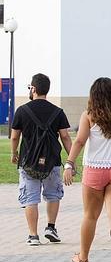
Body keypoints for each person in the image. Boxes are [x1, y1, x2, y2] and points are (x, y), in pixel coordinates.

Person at [64, 77, 111, 262]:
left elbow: (79, 141)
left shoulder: (89, 115)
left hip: (95, 169)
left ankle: (83, 257)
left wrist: (69, 163)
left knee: (90, 216)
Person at [10, 73, 72, 246]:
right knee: (53, 195)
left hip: (28, 161)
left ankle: (33, 235)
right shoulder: (57, 112)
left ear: (34, 89)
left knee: (31, 197)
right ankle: (51, 228)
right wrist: (70, 159)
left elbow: (15, 137)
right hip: (52, 161)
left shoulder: (22, 110)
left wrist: (14, 153)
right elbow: (65, 136)